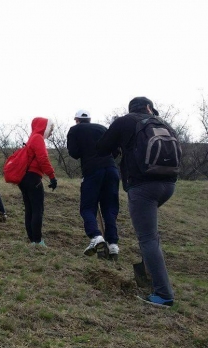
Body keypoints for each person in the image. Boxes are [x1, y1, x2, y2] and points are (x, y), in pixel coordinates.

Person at [96, 97, 178, 308]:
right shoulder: (163, 124)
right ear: (149, 108)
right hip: (168, 185)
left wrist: (119, 148)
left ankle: (163, 294)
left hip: (143, 187)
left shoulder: (124, 121)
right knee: (150, 235)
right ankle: (151, 273)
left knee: (148, 238)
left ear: (131, 108)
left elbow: (102, 148)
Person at [67, 110, 120, 259]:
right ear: (90, 119)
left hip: (92, 171)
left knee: (87, 208)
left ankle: (96, 237)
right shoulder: (102, 128)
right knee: (110, 208)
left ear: (76, 119)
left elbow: (74, 153)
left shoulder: (75, 130)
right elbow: (116, 150)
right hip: (111, 170)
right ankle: (113, 244)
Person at [19, 118, 57, 247]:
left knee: (30, 209)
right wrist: (52, 176)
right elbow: (43, 159)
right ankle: (38, 241)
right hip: (33, 178)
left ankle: (33, 240)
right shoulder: (38, 138)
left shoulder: (32, 138)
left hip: (24, 178)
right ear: (44, 127)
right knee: (37, 209)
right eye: (50, 129)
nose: (51, 133)